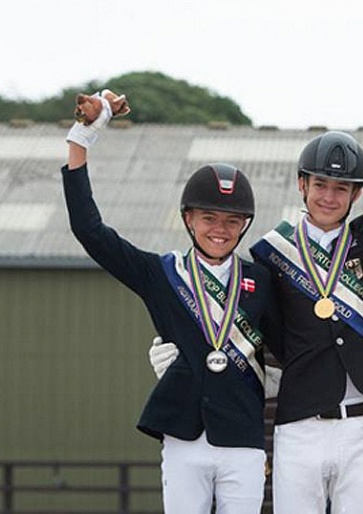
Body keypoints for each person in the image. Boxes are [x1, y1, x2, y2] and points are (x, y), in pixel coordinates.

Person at [149, 7, 363, 513]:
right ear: (301, 185)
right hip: (297, 427)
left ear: (356, 194)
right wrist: (178, 354)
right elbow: (230, 321)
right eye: (320, 185)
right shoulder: (268, 254)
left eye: (341, 188)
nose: (330, 197)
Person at [61, 97, 283, 514]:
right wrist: (81, 139)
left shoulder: (261, 281)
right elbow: (88, 230)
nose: (220, 230)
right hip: (183, 434)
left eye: (232, 221)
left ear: (244, 226)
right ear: (189, 220)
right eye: (209, 218)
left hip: (243, 437)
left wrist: (272, 377)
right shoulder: (160, 273)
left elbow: (288, 346)